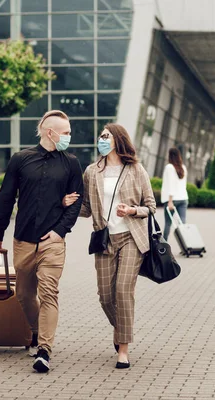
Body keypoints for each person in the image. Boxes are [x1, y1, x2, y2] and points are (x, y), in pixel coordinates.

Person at [0, 110, 84, 372]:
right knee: (23, 294)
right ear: (49, 132)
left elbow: (76, 204)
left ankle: (44, 349)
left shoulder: (71, 163)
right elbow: (6, 198)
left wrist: (60, 231)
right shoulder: (21, 159)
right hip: (23, 239)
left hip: (53, 241)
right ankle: (34, 331)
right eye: (65, 133)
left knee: (49, 292)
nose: (69, 137)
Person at [64, 123, 156, 369]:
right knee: (105, 297)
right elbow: (85, 208)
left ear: (117, 140)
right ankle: (122, 330)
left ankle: (123, 350)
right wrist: (66, 203)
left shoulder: (136, 169)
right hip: (104, 239)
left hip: (131, 238)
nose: (101, 140)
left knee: (123, 291)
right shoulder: (92, 171)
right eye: (100, 136)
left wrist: (132, 210)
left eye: (106, 136)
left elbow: (151, 206)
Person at [161, 148, 188, 241]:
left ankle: (164, 244)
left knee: (168, 223)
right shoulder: (183, 167)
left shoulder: (169, 167)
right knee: (182, 223)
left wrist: (170, 201)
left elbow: (171, 184)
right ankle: (186, 245)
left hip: (172, 200)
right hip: (183, 198)